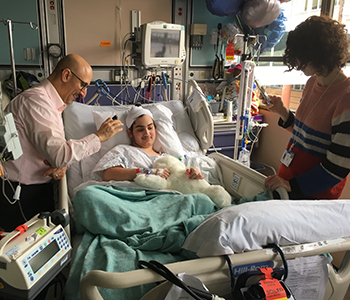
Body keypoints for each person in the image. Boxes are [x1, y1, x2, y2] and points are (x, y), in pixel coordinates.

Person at [0, 54, 123, 231]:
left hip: (36, 187)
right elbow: (60, 154)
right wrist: (99, 137)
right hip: (19, 195)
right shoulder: (36, 102)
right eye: (83, 85)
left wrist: (62, 165)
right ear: (66, 75)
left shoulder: (50, 104)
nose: (83, 93)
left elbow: (54, 152)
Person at [262, 16, 350, 199]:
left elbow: (337, 168)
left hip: (312, 196)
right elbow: (305, 135)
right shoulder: (312, 83)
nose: (297, 64)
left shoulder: (346, 99)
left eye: (301, 58)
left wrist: (291, 185)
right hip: (287, 185)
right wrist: (283, 112)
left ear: (319, 54)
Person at [93, 105, 204, 182]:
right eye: (140, 129)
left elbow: (180, 178)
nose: (147, 133)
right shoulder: (123, 150)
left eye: (150, 128)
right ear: (130, 133)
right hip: (132, 195)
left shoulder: (167, 157)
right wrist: (144, 172)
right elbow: (108, 174)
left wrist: (192, 174)